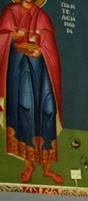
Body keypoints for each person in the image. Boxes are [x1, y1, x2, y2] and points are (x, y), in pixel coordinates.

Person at [0, 0, 63, 184]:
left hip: (41, 69)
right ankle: (29, 165)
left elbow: (49, 47)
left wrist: (41, 50)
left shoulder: (42, 17)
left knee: (48, 110)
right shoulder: (11, 11)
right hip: (20, 68)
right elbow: (3, 38)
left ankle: (48, 167)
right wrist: (14, 35)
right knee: (25, 108)